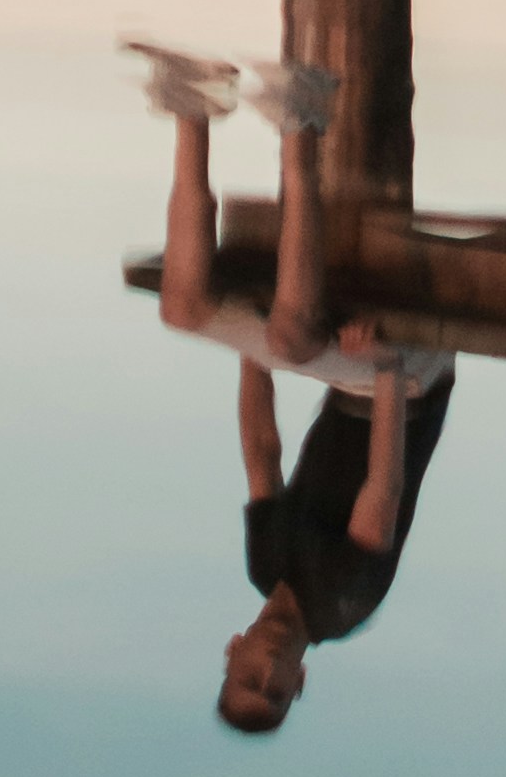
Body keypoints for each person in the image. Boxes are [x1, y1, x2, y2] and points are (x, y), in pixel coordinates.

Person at [129, 41, 457, 740]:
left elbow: (260, 448)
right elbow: (384, 487)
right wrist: (391, 373)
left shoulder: (263, 567)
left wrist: (246, 345)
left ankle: (193, 103)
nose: (268, 674)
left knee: (182, 309)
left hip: (350, 383)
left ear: (232, 652)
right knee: (290, 339)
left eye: (248, 678)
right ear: (298, 683)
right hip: (410, 382)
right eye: (277, 692)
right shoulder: (343, 602)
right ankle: (302, 120)